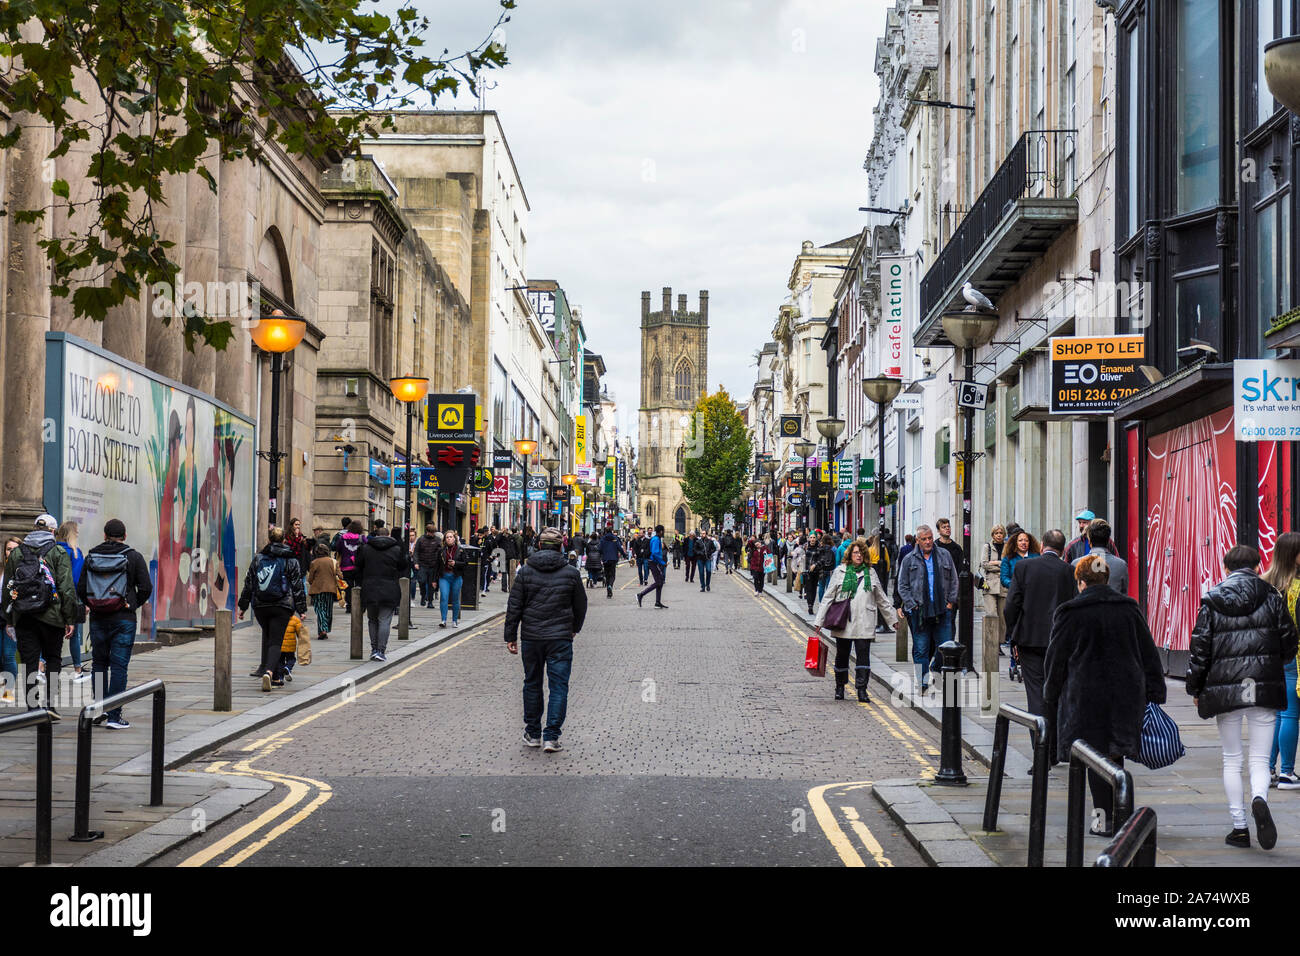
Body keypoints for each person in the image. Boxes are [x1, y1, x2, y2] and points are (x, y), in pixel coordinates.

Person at [1044, 553, 1166, 838]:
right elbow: (1149, 653)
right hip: (1125, 695)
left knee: (1093, 758)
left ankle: (1103, 819)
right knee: (1114, 754)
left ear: (1082, 582)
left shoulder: (1070, 612)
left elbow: (1056, 659)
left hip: (1086, 698)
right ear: (1106, 579)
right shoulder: (1129, 608)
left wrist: (1051, 692)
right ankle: (1121, 815)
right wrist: (1155, 690)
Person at [1187, 545, 1299, 850]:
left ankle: (1239, 827)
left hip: (1227, 688)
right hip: (1262, 684)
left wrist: (1195, 687)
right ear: (1257, 564)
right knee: (1261, 758)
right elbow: (1289, 640)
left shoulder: (1213, 598)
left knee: (1232, 758)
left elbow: (1200, 648)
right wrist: (1278, 660)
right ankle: (1260, 798)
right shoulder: (1272, 596)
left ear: (1226, 567)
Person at [505, 526, 587, 752]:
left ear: (539, 546)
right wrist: (574, 629)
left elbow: (514, 606)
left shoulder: (526, 571)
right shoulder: (571, 572)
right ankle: (551, 736)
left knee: (532, 683)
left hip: (531, 637)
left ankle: (533, 734)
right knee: (559, 686)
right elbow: (581, 606)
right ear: (561, 546)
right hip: (560, 637)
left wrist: (510, 635)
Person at [76, 519, 152, 728]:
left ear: (104, 535)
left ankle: (99, 710)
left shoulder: (92, 556)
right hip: (123, 619)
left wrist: (93, 603)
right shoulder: (133, 557)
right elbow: (145, 587)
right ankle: (114, 716)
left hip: (98, 618)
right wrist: (131, 604)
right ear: (124, 536)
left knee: (99, 665)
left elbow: (81, 588)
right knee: (119, 667)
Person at [3, 515, 77, 714]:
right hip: (52, 616)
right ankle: (51, 704)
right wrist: (70, 618)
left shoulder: (17, 553)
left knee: (30, 663)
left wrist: (9, 619)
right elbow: (66, 588)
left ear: (33, 528)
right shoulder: (58, 552)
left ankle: (32, 708)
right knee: (53, 659)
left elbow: (8, 588)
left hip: (24, 616)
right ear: (52, 531)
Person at [812, 538, 900, 702]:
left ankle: (861, 689)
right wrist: (819, 621)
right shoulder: (840, 571)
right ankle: (840, 687)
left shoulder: (870, 572)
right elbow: (828, 597)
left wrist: (892, 619)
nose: (859, 556)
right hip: (844, 621)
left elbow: (881, 598)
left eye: (861, 553)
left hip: (864, 621)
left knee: (863, 657)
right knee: (842, 656)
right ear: (850, 555)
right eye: (855, 553)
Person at [1004, 529, 1076, 720]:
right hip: (1060, 642)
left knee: (1036, 694)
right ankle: (1055, 744)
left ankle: (1040, 744)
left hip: (1030, 641)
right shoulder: (1070, 572)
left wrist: (1014, 636)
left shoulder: (1023, 567)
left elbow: (1010, 606)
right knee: (1058, 692)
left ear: (1042, 546)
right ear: (1062, 551)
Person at [238, 526, 308, 691]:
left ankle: (277, 678)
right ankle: (269, 672)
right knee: (276, 641)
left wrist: (242, 606)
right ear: (284, 540)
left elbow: (249, 583)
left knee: (270, 638)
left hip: (261, 606)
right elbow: (297, 587)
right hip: (282, 606)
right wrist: (302, 609)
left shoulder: (259, 559)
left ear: (269, 540)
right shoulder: (291, 560)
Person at [896, 525, 959, 692]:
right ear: (917, 541)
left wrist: (950, 602)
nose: (928, 541)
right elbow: (902, 585)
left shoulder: (945, 555)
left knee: (945, 647)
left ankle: (937, 670)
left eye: (930, 538)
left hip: (942, 610)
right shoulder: (909, 559)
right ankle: (922, 682)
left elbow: (954, 580)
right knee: (920, 649)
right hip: (919, 612)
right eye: (924, 539)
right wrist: (912, 605)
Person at [1264, 532, 1300, 788]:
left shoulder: (1265, 583)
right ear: (1293, 556)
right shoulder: (1297, 586)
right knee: (1290, 715)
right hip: (1295, 654)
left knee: (1278, 714)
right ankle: (1287, 771)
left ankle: (1268, 768)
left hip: (1271, 654)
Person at [355, 522, 409, 659]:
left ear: (375, 535)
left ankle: (374, 650)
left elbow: (358, 566)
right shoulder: (396, 549)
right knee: (384, 620)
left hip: (370, 588)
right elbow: (403, 566)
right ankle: (381, 651)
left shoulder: (366, 548)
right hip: (389, 588)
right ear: (388, 535)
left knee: (372, 620)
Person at [54, 521, 89, 682]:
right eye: (76, 531)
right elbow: (77, 580)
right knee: (74, 635)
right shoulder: (75, 552)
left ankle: (41, 666)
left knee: (52, 634)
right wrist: (83, 601)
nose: (78, 534)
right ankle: (77, 670)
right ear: (70, 534)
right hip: (71, 598)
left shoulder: (53, 550)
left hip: (53, 599)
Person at [1071, 518, 1128, 595]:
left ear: (1089, 540)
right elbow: (1124, 593)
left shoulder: (1076, 564)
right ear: (1108, 541)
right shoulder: (1121, 565)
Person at [980, 525, 1008, 653]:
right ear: (992, 535)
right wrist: (1000, 564)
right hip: (990, 585)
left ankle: (999, 643)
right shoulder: (987, 547)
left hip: (1003, 586)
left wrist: (996, 563)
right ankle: (992, 643)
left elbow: (1009, 564)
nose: (998, 535)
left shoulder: (1008, 547)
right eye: (996, 533)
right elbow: (984, 564)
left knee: (1002, 617)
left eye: (1001, 533)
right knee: (992, 614)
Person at [0, 536, 21, 702]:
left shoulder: (21, 569)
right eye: (8, 549)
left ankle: (8, 690)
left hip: (12, 616)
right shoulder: (1, 569)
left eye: (14, 549)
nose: (11, 552)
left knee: (8, 654)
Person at [306, 542, 340, 642]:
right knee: (328, 610)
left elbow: (310, 579)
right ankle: (325, 629)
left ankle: (322, 630)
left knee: (320, 609)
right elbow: (340, 575)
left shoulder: (314, 563)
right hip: (330, 589)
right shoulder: (333, 562)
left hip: (318, 589)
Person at [433, 529, 466, 629]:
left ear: (454, 539)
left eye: (451, 537)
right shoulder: (441, 551)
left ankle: (454, 620)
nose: (449, 539)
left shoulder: (460, 550)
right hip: (444, 577)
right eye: (447, 537)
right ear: (444, 540)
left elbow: (465, 564)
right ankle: (443, 620)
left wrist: (456, 563)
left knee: (455, 599)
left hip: (456, 577)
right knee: (444, 597)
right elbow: (437, 566)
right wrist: (434, 580)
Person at [333, 518, 364, 613]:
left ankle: (349, 606)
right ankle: (360, 605)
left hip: (346, 566)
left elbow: (337, 548)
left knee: (348, 587)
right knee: (359, 585)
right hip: (359, 566)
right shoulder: (362, 538)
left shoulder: (343, 538)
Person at [636, 525, 669, 608]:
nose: (664, 532)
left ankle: (657, 602)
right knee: (658, 582)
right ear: (661, 531)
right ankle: (641, 594)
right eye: (663, 531)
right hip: (653, 563)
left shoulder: (656, 539)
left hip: (654, 562)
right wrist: (662, 562)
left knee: (660, 582)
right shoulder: (656, 540)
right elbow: (654, 553)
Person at [599, 524, 626, 599]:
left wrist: (602, 555)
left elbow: (600, 549)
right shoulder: (615, 538)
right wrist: (624, 555)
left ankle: (608, 592)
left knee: (607, 575)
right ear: (611, 531)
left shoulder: (603, 539)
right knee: (612, 575)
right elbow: (619, 548)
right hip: (613, 559)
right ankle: (610, 586)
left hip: (605, 559)